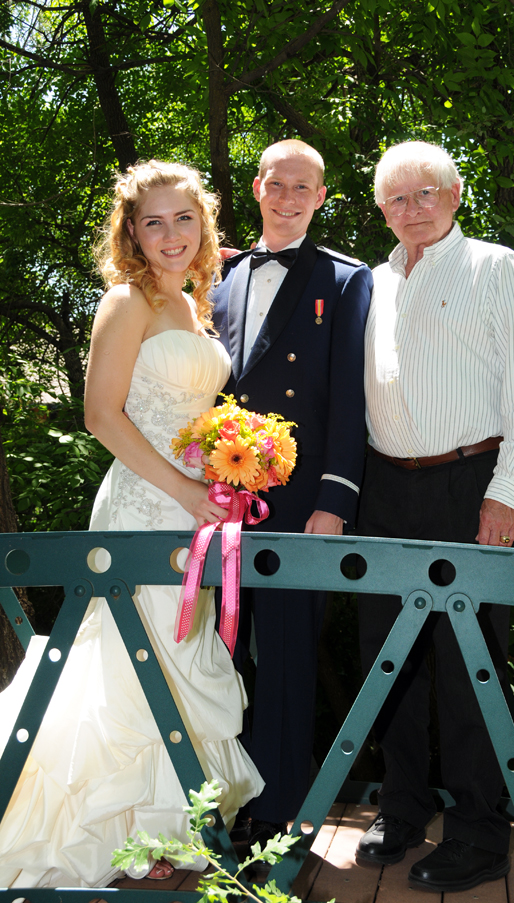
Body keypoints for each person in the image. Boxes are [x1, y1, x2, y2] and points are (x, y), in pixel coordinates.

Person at [0, 160, 264, 888]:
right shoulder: (128, 300)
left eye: (184, 218)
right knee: (132, 661)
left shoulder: (192, 305)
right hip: (146, 505)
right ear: (132, 233)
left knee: (175, 654)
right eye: (154, 221)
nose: (171, 233)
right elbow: (100, 415)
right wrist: (184, 486)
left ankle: (159, 832)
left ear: (204, 224)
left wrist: (228, 467)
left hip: (194, 512)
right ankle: (114, 831)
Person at [355, 141, 514, 893]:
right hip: (383, 490)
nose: (412, 209)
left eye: (426, 192)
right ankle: (400, 808)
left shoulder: (496, 267)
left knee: (470, 664)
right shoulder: (370, 282)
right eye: (396, 199)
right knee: (388, 656)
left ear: (456, 193)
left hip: (471, 483)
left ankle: (476, 831)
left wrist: (505, 494)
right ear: (381, 208)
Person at [211, 139, 373, 847]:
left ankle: (277, 816)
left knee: (284, 654)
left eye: (303, 187)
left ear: (321, 197)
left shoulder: (344, 279)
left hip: (303, 501)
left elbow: (348, 396)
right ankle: (218, 800)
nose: (288, 198)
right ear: (256, 188)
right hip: (216, 501)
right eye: (277, 184)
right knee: (216, 652)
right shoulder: (216, 274)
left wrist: (334, 500)